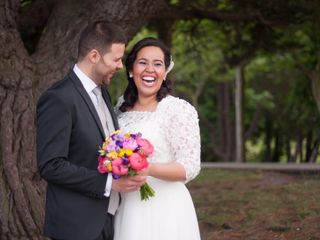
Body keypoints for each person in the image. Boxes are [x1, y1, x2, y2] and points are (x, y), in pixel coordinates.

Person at [36, 21, 146, 240]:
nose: (120, 66)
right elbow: (51, 165)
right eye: (116, 59)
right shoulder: (59, 98)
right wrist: (109, 183)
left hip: (108, 219)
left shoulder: (102, 92)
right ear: (94, 56)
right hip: (76, 227)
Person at [114, 37, 201, 240]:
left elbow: (190, 166)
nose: (150, 70)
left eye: (158, 64)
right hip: (126, 205)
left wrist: (148, 168)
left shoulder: (177, 109)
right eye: (143, 62)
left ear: (165, 73)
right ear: (131, 69)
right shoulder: (120, 108)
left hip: (165, 208)